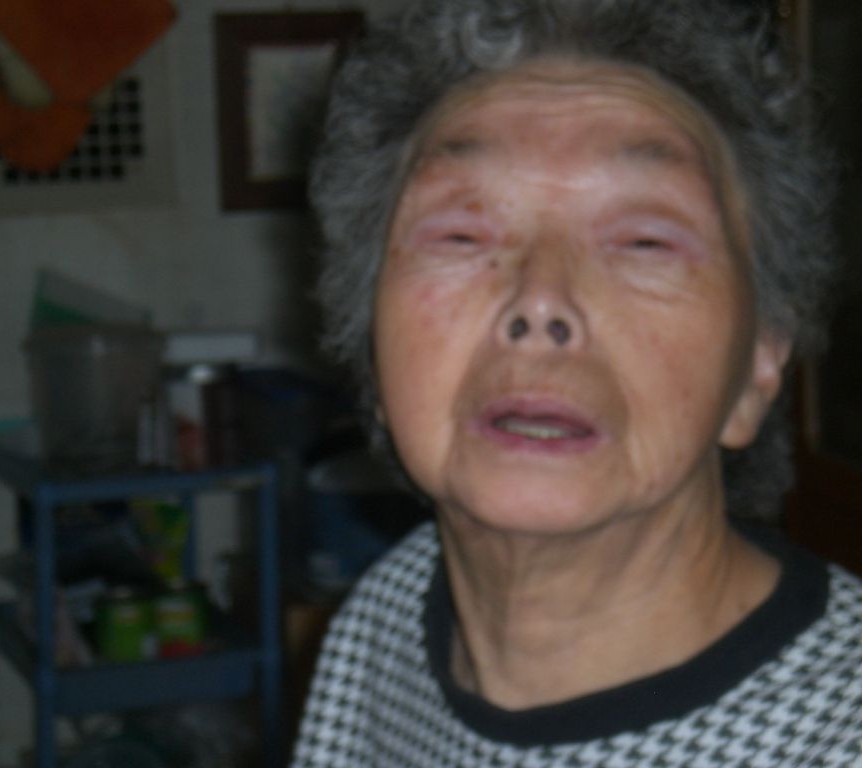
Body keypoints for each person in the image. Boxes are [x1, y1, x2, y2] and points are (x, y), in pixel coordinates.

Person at [291, 0, 862, 765]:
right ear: (371, 335)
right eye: (460, 234)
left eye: (644, 243)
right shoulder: (385, 621)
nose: (540, 301)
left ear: (760, 361)